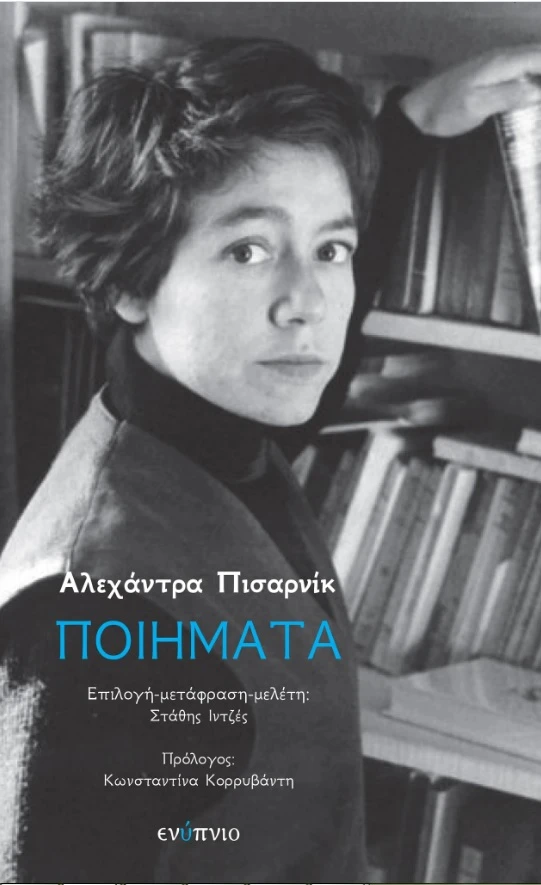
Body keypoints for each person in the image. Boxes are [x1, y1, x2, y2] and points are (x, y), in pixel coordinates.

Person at [0, 35, 540, 884]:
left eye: (331, 250)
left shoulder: (214, 429)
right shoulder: (99, 618)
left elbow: (315, 357)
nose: (308, 305)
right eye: (247, 250)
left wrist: (408, 127)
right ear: (129, 281)